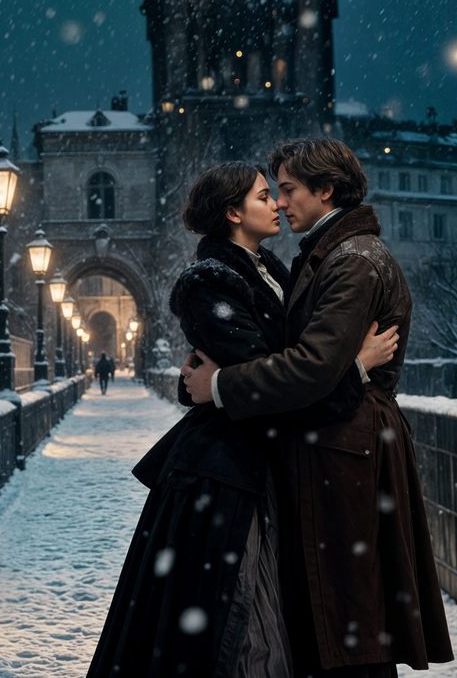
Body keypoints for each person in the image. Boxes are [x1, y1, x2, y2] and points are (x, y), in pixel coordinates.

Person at [89, 161, 398, 678]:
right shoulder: (207, 284)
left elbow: (270, 371)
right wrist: (356, 369)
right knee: (241, 623)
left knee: (271, 616)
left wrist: (215, 385)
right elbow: (275, 383)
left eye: (277, 193)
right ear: (233, 212)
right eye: (262, 196)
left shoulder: (273, 270)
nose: (276, 203)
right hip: (228, 475)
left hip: (266, 458)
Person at [182, 139, 453, 676]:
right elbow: (300, 360)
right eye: (273, 193)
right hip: (334, 444)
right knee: (340, 614)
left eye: (287, 190)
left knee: (351, 617)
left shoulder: (354, 259)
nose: (280, 203)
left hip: (347, 449)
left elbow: (310, 367)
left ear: (326, 190)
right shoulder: (328, 254)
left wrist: (221, 387)